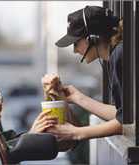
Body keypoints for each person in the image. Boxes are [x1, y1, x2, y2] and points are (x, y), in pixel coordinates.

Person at [35, 6, 124, 141]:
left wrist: (76, 133)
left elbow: (130, 122)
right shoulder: (115, 56)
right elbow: (122, 115)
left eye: (75, 43)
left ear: (92, 38)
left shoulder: (119, 55)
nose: (75, 51)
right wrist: (77, 98)